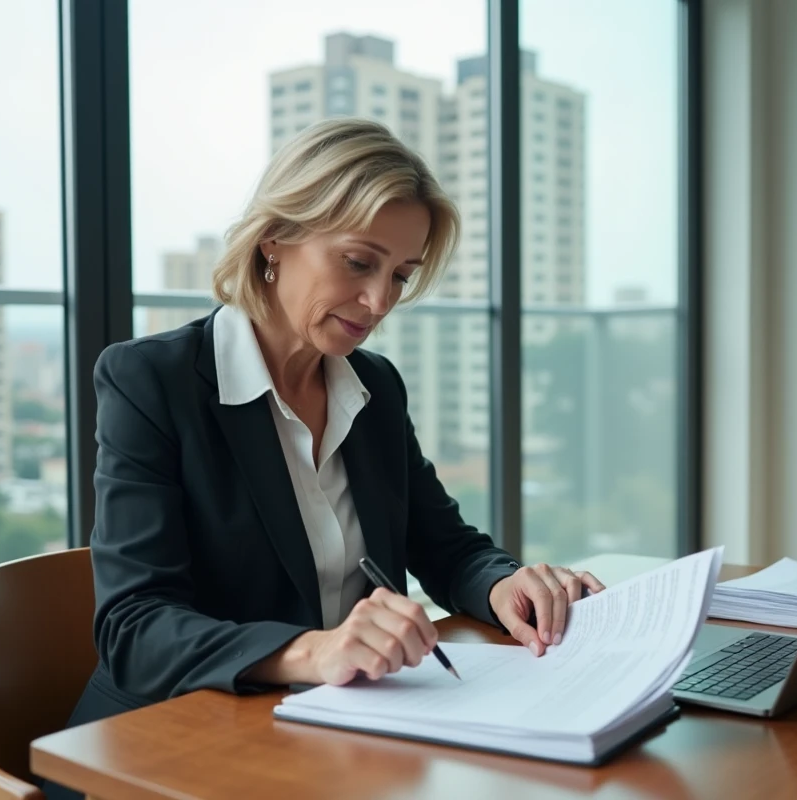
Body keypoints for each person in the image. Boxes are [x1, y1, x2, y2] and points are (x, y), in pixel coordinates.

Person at [46, 118, 603, 799]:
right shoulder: (151, 382)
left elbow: (446, 545)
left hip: (335, 739)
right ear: (275, 239)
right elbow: (135, 629)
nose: (379, 302)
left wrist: (503, 584)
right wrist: (314, 649)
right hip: (169, 749)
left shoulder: (374, 386)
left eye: (402, 275)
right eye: (359, 262)